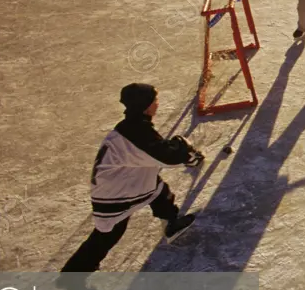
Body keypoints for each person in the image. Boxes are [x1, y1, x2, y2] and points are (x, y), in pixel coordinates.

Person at [61, 84, 202, 273]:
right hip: (113, 193)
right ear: (146, 106)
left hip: (121, 183)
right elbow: (164, 157)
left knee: (158, 189)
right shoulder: (136, 132)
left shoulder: (133, 126)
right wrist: (185, 154)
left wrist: (178, 150)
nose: (158, 103)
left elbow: (153, 150)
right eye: (155, 100)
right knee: (107, 236)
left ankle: (172, 223)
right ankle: (72, 276)